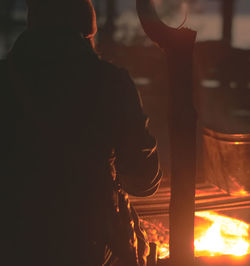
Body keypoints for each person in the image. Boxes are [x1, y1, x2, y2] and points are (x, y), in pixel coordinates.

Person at [0, 0, 162, 265]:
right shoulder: (110, 82)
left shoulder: (4, 81)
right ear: (87, 29)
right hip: (84, 246)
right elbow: (143, 181)